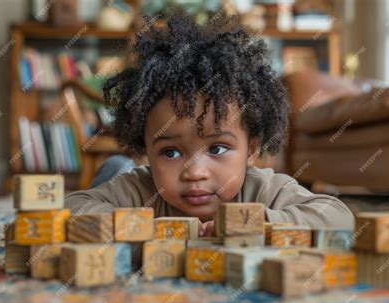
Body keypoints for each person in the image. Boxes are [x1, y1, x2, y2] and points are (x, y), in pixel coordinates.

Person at [65, 12, 354, 238]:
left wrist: (260, 223)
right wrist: (140, 228)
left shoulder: (262, 189)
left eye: (216, 148)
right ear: (147, 152)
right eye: (170, 153)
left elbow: (339, 217)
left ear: (251, 150)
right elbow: (70, 209)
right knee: (114, 174)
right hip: (120, 183)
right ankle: (115, 168)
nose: (195, 173)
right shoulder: (141, 189)